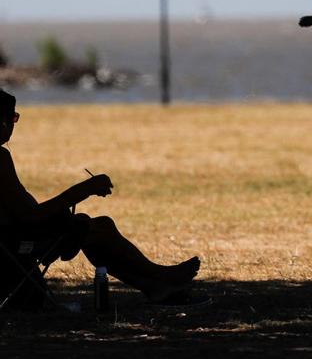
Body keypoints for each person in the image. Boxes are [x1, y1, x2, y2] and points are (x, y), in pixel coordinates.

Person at [0, 89, 200, 303]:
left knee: (94, 226)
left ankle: (154, 285)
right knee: (95, 229)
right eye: (13, 118)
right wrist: (84, 190)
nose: (13, 125)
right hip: (16, 242)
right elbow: (30, 217)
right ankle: (160, 277)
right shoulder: (0, 158)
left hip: (14, 236)